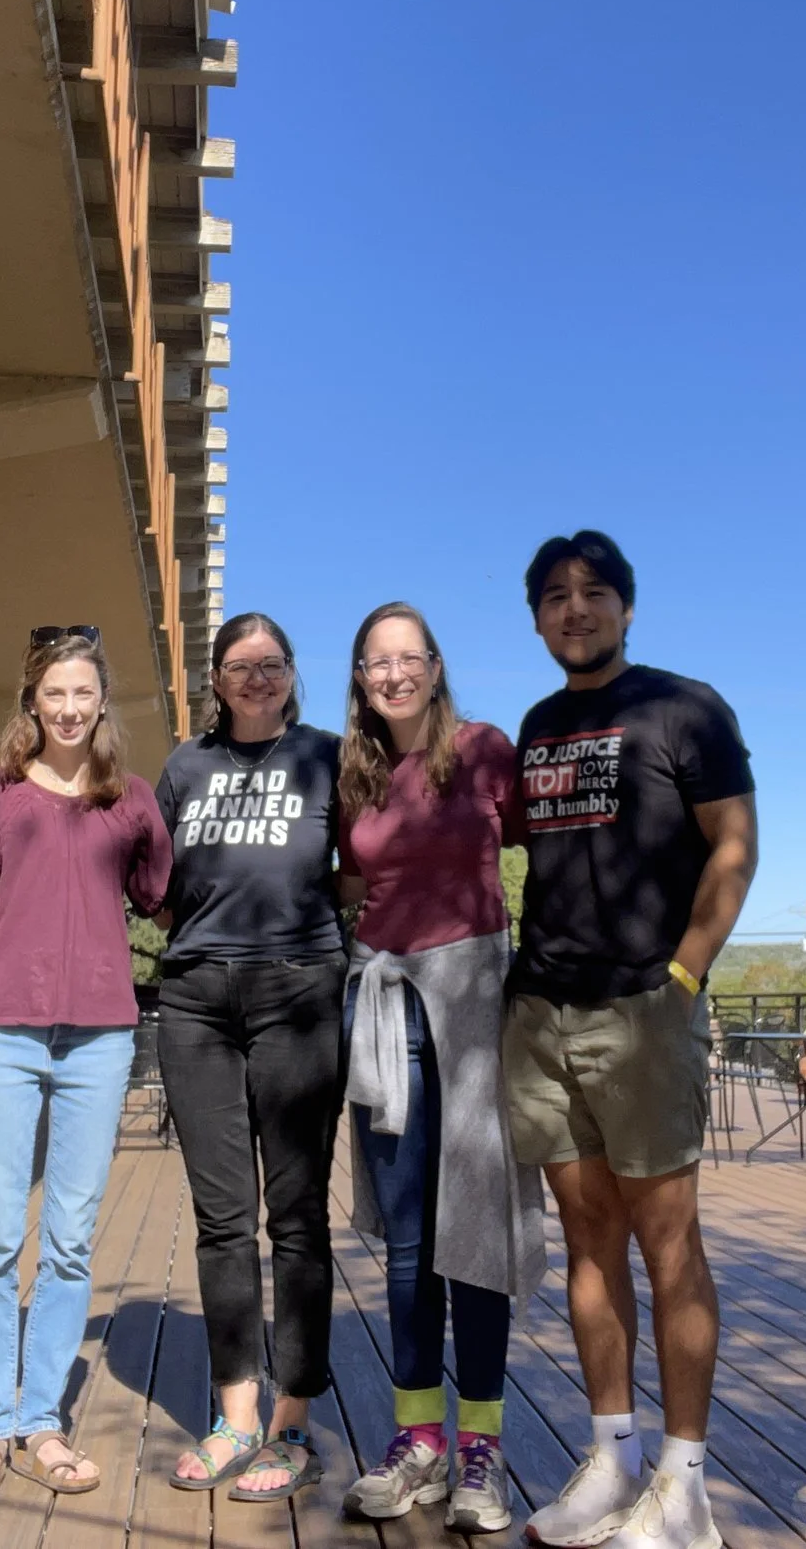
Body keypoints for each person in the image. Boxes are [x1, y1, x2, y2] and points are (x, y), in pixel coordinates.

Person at [505, 533, 758, 1549]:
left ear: (627, 608)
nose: (576, 609)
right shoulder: (533, 725)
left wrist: (683, 977)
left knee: (669, 1246)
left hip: (642, 1010)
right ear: (535, 618)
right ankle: (609, 1462)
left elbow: (733, 846)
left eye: (595, 593)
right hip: (539, 1014)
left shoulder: (683, 708)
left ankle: (683, 1484)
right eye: (556, 597)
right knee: (587, 1245)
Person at [0, 626, 173, 1506]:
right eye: (55, 693)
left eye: (84, 693)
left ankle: (44, 1419)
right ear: (31, 701)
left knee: (71, 1241)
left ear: (102, 700)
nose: (70, 708)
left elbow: (159, 891)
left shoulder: (132, 798)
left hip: (102, 1036)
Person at [334, 602, 543, 1534]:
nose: (393, 674)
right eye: (376, 662)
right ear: (361, 677)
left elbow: (559, 851)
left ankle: (481, 1450)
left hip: (470, 1007)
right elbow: (346, 884)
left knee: (477, 1232)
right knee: (412, 1241)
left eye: (407, 657)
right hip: (384, 1006)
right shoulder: (355, 777)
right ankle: (418, 1438)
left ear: (434, 664)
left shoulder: (487, 751)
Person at [152, 611, 346, 1502]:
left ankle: (292, 1425)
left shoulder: (331, 757)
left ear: (292, 674)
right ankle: (236, 1412)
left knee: (297, 1214)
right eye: (241, 665)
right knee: (222, 1215)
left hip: (299, 996)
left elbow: (365, 866)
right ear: (218, 679)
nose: (257, 677)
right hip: (194, 998)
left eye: (272, 664)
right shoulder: (184, 766)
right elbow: (155, 880)